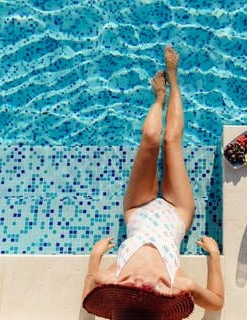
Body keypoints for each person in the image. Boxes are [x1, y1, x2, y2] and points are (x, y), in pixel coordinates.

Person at [82, 46, 224, 319]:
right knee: (170, 141)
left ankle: (159, 99)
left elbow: (88, 293)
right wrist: (214, 256)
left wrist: (95, 257)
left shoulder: (111, 278)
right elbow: (216, 302)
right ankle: (173, 79)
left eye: (129, 290)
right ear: (158, 294)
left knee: (149, 138)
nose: (136, 284)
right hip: (176, 211)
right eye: (145, 290)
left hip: (138, 209)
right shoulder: (176, 285)